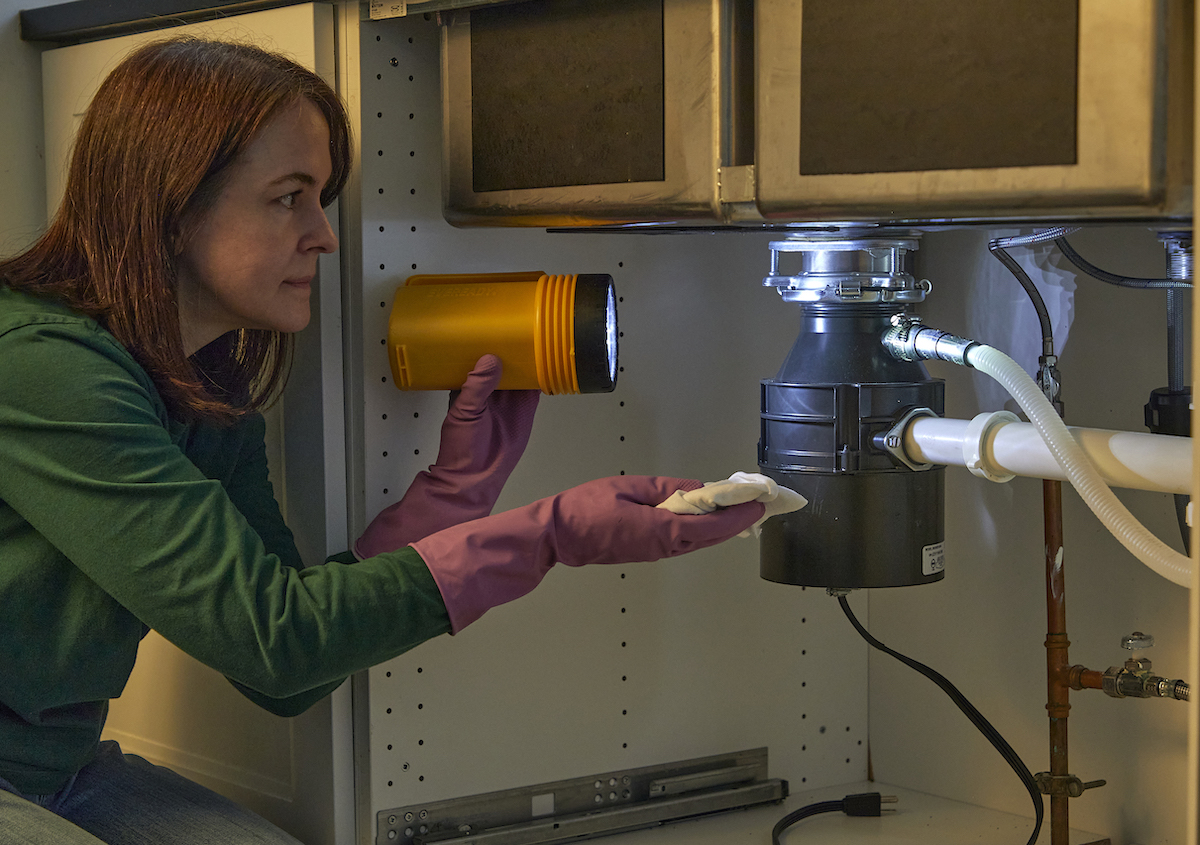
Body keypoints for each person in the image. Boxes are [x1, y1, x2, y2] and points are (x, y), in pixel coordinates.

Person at [0, 37, 765, 845]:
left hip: (57, 769)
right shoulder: (43, 366)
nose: (324, 235)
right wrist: (549, 537)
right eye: (289, 197)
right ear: (176, 207)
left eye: (320, 197)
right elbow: (273, 640)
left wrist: (451, 495)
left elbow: (285, 668)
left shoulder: (206, 390)